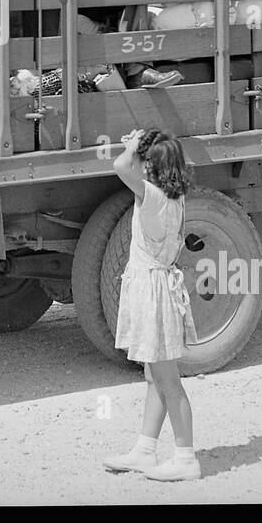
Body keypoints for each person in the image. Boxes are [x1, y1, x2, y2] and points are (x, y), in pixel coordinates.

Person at [101, 128, 200, 482]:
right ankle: (145, 450)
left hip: (151, 291)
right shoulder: (175, 198)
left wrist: (132, 145)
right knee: (154, 376)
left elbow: (119, 165)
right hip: (159, 286)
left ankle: (186, 457)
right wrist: (144, 145)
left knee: (167, 380)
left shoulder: (153, 196)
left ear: (150, 168)